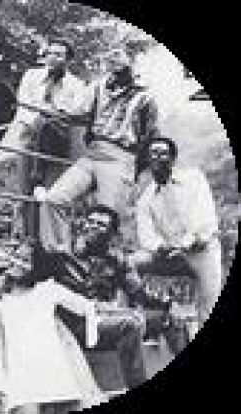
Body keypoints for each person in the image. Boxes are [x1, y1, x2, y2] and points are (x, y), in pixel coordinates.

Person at [33, 47, 158, 252]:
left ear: (130, 64)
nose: (115, 63)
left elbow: (150, 137)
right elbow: (79, 113)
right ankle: (57, 254)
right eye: (111, 61)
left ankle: (105, 265)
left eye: (120, 59)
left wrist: (134, 170)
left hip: (121, 156)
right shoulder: (98, 87)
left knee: (108, 218)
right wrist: (54, 112)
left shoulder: (145, 96)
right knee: (53, 199)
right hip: (92, 153)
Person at [0, 36, 92, 241]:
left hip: (57, 142)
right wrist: (41, 116)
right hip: (28, 136)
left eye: (59, 55)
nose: (52, 58)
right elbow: (22, 105)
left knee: (51, 194)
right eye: (50, 53)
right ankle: (25, 238)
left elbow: (74, 111)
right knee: (24, 190)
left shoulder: (77, 85)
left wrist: (50, 114)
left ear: (68, 60)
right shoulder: (31, 76)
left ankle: (46, 240)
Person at [0, 243, 107, 413]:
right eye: (16, 256)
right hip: (22, 380)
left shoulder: (48, 289)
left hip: (56, 374)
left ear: (36, 267)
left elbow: (86, 306)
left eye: (26, 260)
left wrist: (91, 339)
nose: (18, 262)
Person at [43, 205, 148, 391]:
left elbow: (137, 291)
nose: (92, 226)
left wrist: (143, 308)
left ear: (111, 233)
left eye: (101, 224)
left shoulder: (117, 259)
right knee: (130, 324)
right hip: (74, 324)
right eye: (90, 221)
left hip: (105, 321)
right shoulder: (60, 255)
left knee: (170, 319)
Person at [132, 137, 222, 328]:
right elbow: (146, 235)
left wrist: (184, 245)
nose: (158, 157)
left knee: (210, 307)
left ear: (172, 159)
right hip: (170, 255)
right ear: (147, 159)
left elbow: (203, 219)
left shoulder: (194, 179)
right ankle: (139, 319)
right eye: (153, 153)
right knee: (130, 263)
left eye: (163, 153)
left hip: (202, 252)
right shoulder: (146, 198)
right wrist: (161, 247)